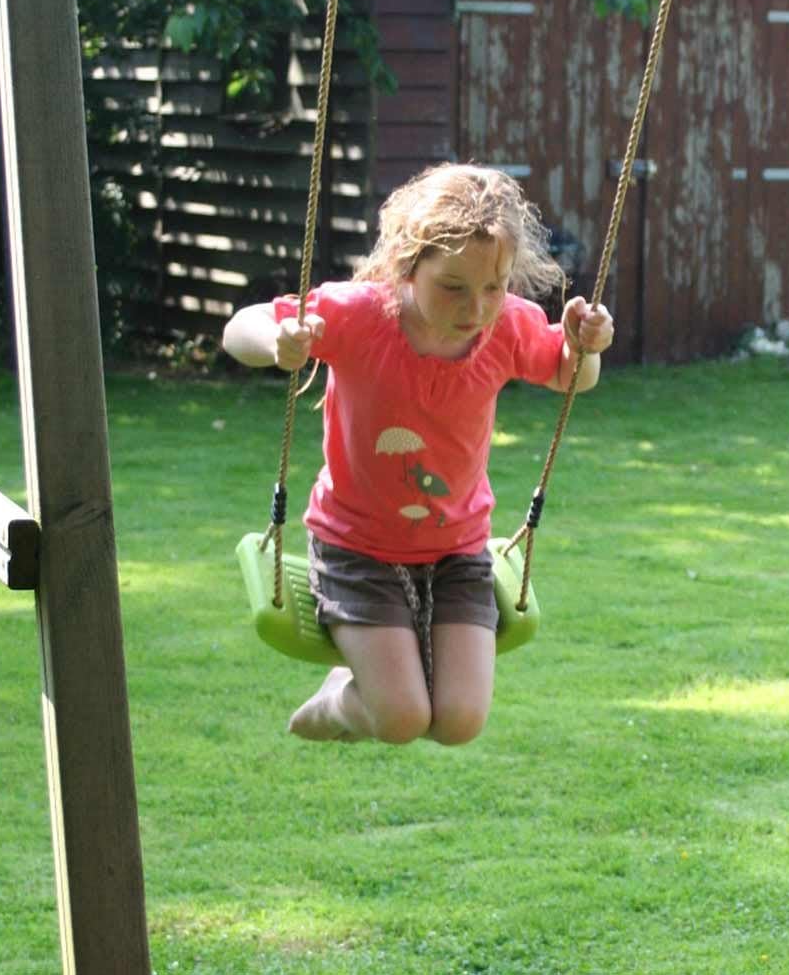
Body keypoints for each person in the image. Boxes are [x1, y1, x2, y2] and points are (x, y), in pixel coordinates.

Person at [223, 163, 614, 746]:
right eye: (453, 287)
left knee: (459, 723)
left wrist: (587, 346)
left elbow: (571, 375)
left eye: (493, 287)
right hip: (357, 548)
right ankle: (336, 701)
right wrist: (278, 342)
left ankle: (372, 678)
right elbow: (240, 327)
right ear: (409, 264)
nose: (475, 308)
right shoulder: (359, 315)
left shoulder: (506, 326)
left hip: (459, 550)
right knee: (402, 717)